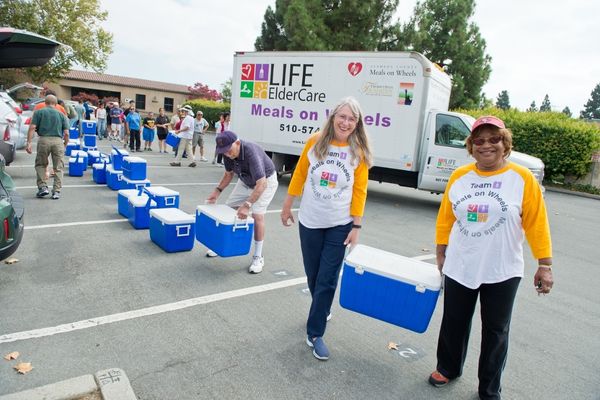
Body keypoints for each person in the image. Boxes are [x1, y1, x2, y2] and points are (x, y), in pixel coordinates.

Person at [428, 115, 553, 399]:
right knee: (454, 321)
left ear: (505, 143)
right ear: (471, 146)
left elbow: (537, 222)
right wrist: (440, 250)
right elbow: (446, 217)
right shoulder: (460, 176)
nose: (487, 145)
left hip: (502, 268)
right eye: (479, 141)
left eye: (494, 139)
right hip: (461, 263)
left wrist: (545, 264)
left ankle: (489, 387)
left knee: (496, 331)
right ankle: (447, 368)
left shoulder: (521, 179)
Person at [280, 97, 372, 360]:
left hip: (340, 225)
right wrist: (287, 206)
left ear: (357, 124)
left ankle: (315, 333)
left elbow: (360, 190)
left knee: (327, 278)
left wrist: (356, 224)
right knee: (313, 275)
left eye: (351, 119)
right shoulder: (316, 141)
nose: (345, 122)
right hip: (310, 220)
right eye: (341, 116)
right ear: (333, 117)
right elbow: (299, 174)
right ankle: (322, 307)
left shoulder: (358, 152)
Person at [206, 131, 279, 274]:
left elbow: (262, 184)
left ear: (237, 143)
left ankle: (258, 256)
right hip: (245, 180)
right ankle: (220, 245)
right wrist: (216, 192)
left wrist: (247, 205)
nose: (227, 154)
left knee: (257, 215)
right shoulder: (228, 153)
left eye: (229, 150)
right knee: (227, 209)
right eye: (223, 152)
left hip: (265, 182)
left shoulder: (251, 152)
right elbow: (228, 175)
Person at [25, 95, 69, 200]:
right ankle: (56, 191)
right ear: (56, 104)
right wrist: (65, 144)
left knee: (41, 164)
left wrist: (29, 142)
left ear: (45, 102)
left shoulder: (39, 112)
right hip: (58, 141)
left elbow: (32, 127)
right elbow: (66, 133)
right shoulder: (62, 115)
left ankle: (43, 187)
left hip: (43, 140)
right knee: (58, 167)